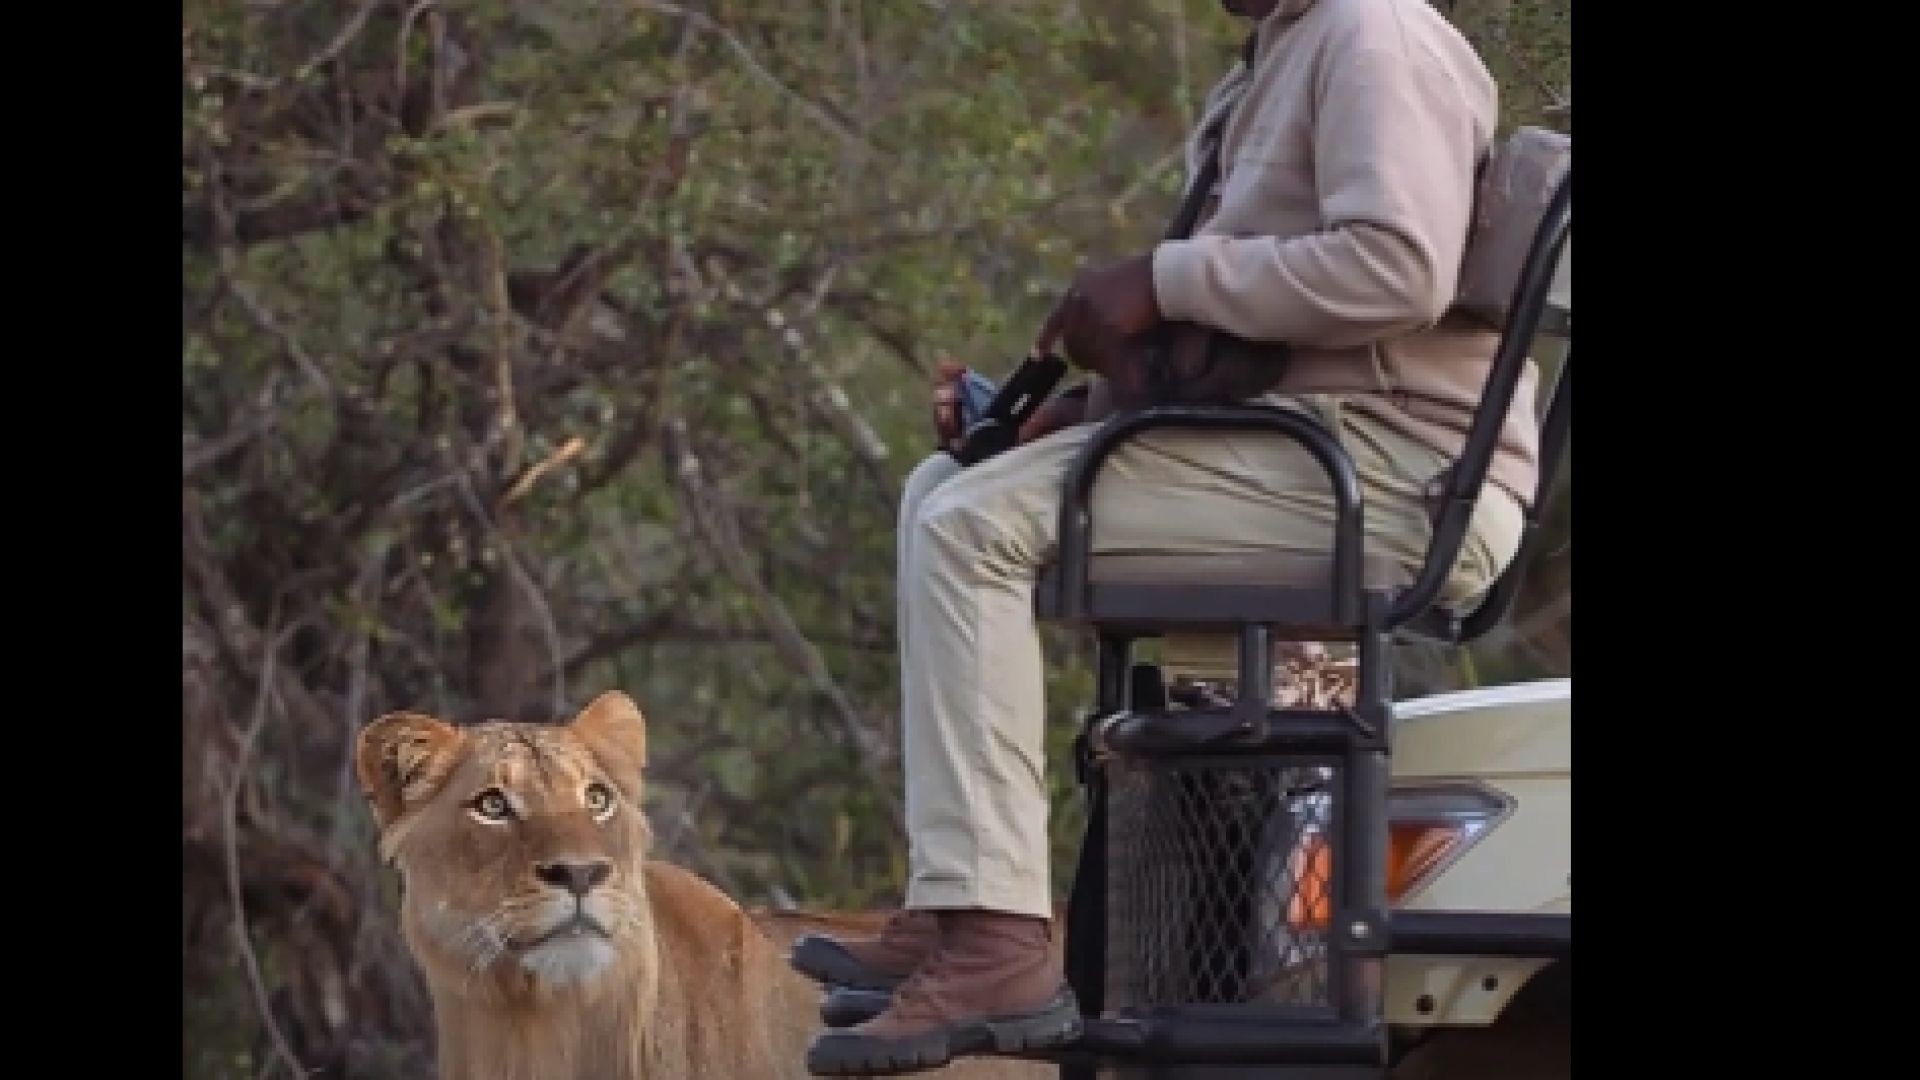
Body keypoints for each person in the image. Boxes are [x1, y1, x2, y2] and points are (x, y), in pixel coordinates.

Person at [798, 0, 1541, 1072]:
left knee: (970, 527)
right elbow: (1262, 336)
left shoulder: (1373, 31)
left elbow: (1398, 265)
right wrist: (1081, 408)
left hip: (1389, 474)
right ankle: (960, 904)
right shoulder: (1288, 49)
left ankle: (1003, 947)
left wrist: (1162, 277)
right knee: (941, 489)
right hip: (1311, 449)